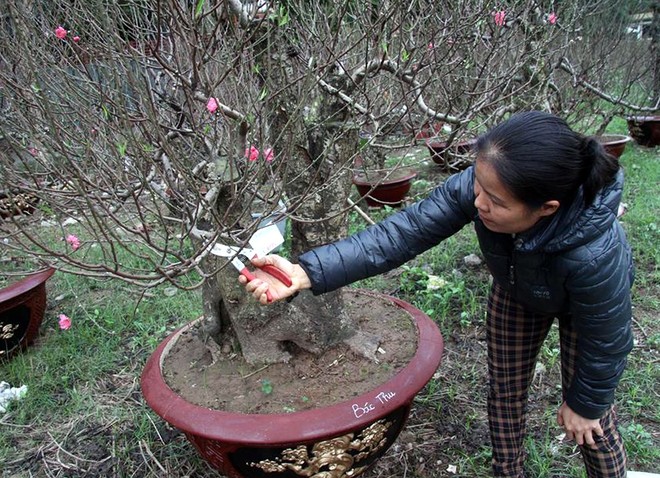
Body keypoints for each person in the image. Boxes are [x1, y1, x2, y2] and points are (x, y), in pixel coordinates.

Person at [239, 111, 634, 478]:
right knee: (505, 391)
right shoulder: (489, 183)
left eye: (495, 202)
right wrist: (305, 272)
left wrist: (587, 404)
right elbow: (401, 234)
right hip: (518, 290)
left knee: (591, 420)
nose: (478, 203)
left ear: (547, 208)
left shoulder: (594, 255)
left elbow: (608, 341)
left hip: (586, 312)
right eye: (477, 187)